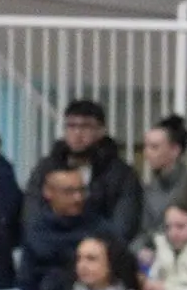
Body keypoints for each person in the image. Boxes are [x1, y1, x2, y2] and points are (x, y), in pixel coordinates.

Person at [33, 100, 140, 246]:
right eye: (71, 126)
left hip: (99, 257)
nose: (77, 133)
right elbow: (32, 216)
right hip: (49, 254)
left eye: (86, 126)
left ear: (101, 130)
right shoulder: (46, 168)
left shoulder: (121, 174)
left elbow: (123, 227)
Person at [19, 162, 105, 290]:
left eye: (82, 191)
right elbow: (25, 279)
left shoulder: (99, 228)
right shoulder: (36, 231)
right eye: (69, 192)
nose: (78, 198)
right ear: (48, 192)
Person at [135, 117, 187, 236]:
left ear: (175, 150)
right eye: (145, 146)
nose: (147, 153)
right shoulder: (149, 188)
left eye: (154, 147)